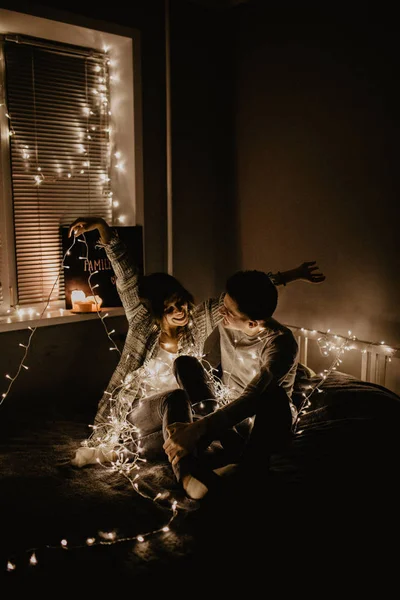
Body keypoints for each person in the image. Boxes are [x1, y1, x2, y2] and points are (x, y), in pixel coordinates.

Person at [69, 216, 324, 499]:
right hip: (142, 412)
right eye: (170, 308)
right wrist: (104, 231)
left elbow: (249, 294)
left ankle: (206, 461)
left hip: (182, 419)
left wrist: (291, 275)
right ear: (155, 311)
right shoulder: (142, 323)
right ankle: (189, 476)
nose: (181, 310)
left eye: (182, 301)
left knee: (181, 387)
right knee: (174, 396)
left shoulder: (198, 323)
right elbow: (128, 279)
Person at [163, 268, 317, 497]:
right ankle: (189, 475)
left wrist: (198, 429)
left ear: (253, 324)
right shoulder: (227, 324)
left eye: (228, 310)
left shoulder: (280, 344)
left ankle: (245, 468)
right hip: (228, 416)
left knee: (271, 395)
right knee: (184, 364)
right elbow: (205, 368)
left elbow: (252, 398)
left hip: (265, 423)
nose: (220, 311)